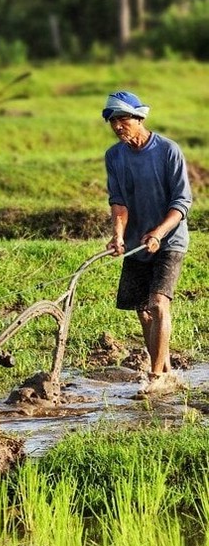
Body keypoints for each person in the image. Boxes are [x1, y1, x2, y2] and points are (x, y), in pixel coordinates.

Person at [102, 90, 192, 395]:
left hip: (169, 239)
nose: (117, 126)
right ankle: (165, 370)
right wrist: (117, 235)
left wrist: (158, 233)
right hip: (137, 241)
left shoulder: (168, 151)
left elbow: (181, 203)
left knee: (158, 304)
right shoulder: (114, 156)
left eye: (122, 119)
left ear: (139, 118)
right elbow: (119, 203)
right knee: (142, 311)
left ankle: (154, 378)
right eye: (112, 121)